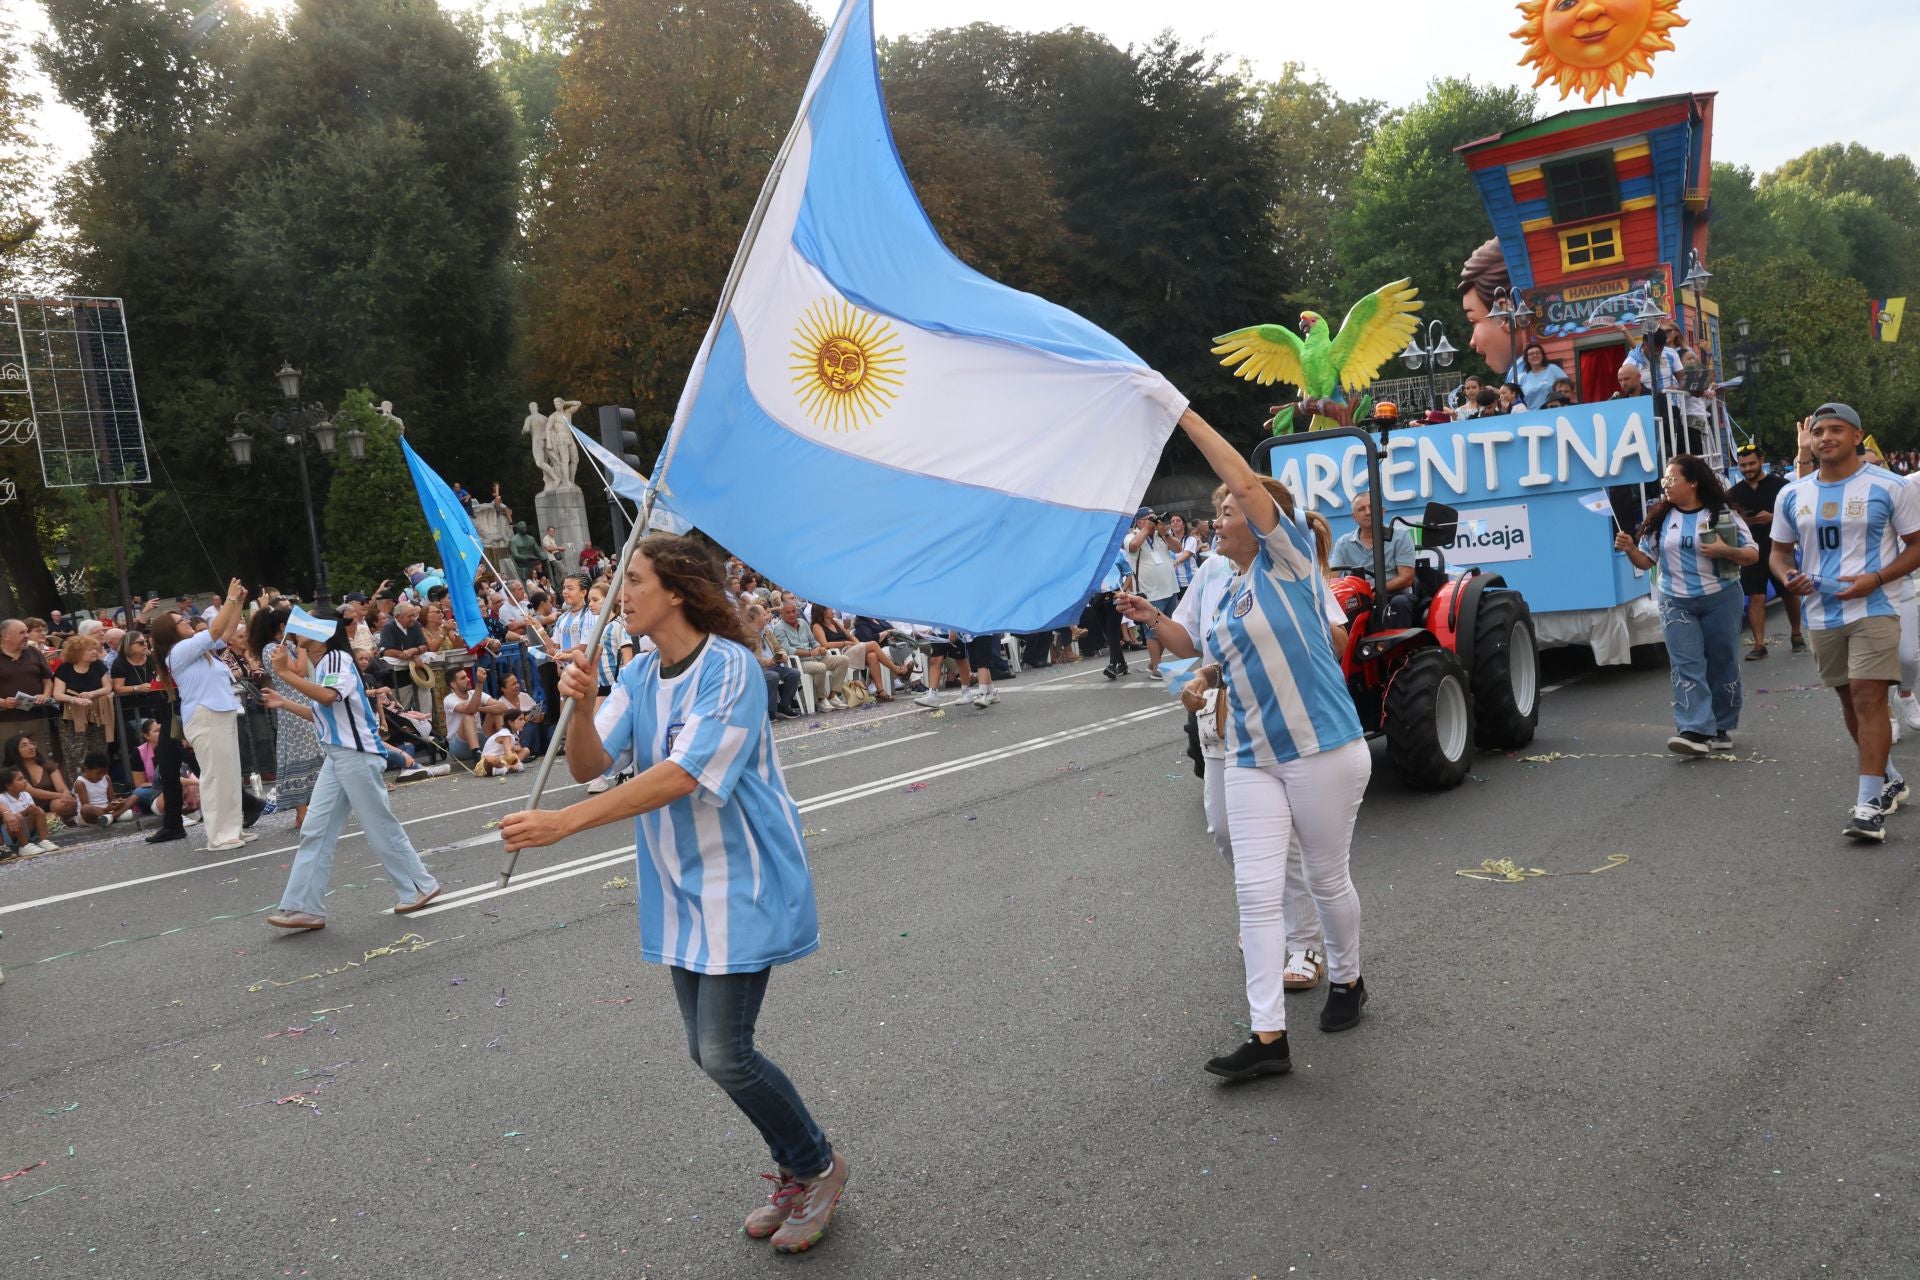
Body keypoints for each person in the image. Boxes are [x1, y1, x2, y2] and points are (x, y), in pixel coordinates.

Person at [499, 534, 847, 1252]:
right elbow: (590, 766)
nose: (618, 595)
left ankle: (818, 1166)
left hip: (741, 878)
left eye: (634, 581)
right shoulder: (638, 672)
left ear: (678, 590)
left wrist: (562, 826)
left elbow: (682, 775)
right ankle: (796, 1166)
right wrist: (589, 703)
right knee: (708, 1050)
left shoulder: (730, 669)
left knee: (724, 1051)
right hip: (680, 885)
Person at [1117, 407, 1372, 1082]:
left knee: (1324, 878)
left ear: (1260, 522)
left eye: (1229, 508)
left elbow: (1244, 480)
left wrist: (1183, 416)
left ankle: (1348, 979)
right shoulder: (1223, 588)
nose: (1217, 516)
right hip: (1253, 754)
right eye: (1218, 509)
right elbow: (1208, 655)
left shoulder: (1287, 562)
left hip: (1322, 748)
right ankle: (1268, 1038)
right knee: (1256, 895)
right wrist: (1173, 646)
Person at [1772, 404, 1920, 842]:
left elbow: (1916, 546)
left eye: (1837, 430)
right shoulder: (1792, 494)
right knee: (1849, 701)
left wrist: (1875, 578)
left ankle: (1869, 804)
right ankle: (1889, 777)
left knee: (1867, 694)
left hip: (1876, 607)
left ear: (1858, 436)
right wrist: (1787, 577)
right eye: (1819, 431)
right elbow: (1778, 553)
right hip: (1821, 613)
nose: (1826, 437)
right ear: (1810, 440)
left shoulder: (1890, 487)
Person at [262, 610, 443, 931]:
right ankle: (305, 907)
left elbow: (329, 698)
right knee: (315, 829)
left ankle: (419, 885)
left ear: (322, 633)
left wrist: (286, 676)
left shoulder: (336, 661)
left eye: (304, 628)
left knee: (377, 824)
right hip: (339, 756)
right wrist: (283, 702)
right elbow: (322, 712)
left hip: (356, 755)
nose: (296, 634)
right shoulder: (324, 665)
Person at [1614, 455, 1759, 756]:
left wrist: (1724, 550)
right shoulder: (1661, 519)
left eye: (1671, 479)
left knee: (1722, 662)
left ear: (1692, 482)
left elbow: (1752, 554)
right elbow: (1646, 561)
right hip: (1675, 601)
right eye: (1664, 480)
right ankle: (1693, 729)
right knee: (1686, 664)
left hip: (1721, 597)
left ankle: (1721, 726)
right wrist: (1629, 549)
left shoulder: (1721, 514)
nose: (1665, 485)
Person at [153, 580, 255, 852]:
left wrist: (239, 603)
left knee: (230, 774)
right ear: (171, 632)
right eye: (181, 621)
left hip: (220, 712)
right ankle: (219, 835)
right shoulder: (179, 650)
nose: (187, 621)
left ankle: (233, 829)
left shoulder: (198, 651)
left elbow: (228, 632)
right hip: (206, 715)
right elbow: (218, 629)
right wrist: (230, 601)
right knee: (215, 776)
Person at [1726, 445, 1805, 661]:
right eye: (1742, 465)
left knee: (1789, 592)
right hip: (1751, 551)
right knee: (1755, 597)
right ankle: (1759, 645)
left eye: (1751, 463)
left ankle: (1797, 635)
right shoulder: (1734, 494)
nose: (1747, 469)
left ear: (1762, 460)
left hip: (1780, 549)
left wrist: (1773, 518)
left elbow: (1800, 515)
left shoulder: (1782, 486)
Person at [1125, 509, 1179, 679]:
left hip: (1170, 589)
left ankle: (1154, 661)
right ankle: (1157, 668)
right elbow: (1133, 547)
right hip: (1151, 593)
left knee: (1166, 629)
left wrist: (1165, 534)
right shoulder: (1131, 536)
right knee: (1153, 631)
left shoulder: (1160, 535)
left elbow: (1178, 548)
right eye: (1149, 518)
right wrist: (1146, 529)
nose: (1153, 521)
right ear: (1139, 521)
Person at [770, 599, 848, 710]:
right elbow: (787, 649)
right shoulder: (779, 628)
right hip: (799, 662)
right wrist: (810, 652)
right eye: (788, 612)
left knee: (843, 660)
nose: (792, 614)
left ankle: (833, 695)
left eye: (794, 611)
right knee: (820, 667)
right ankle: (821, 700)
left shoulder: (802, 622)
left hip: (815, 657)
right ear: (781, 613)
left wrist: (819, 648)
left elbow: (813, 641)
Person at [0, 618, 57, 765]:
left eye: (26, 631)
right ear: (6, 636)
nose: (26, 635)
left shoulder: (33, 652)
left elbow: (47, 679)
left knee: (43, 759)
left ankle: (47, 787)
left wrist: (45, 694)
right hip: (6, 720)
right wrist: (3, 702)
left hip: (37, 717)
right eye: (22, 632)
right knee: (11, 764)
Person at [745, 602, 805, 720]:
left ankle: (783, 705)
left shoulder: (767, 631)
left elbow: (778, 647)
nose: (768, 616)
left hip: (773, 664)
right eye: (764, 614)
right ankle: (769, 711)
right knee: (772, 676)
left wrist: (782, 655)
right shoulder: (746, 634)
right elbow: (748, 656)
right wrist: (764, 661)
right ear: (756, 617)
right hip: (757, 668)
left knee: (794, 673)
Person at [2, 733, 77, 823]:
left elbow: (61, 788)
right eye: (24, 746)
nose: (31, 747)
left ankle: (57, 819)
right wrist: (62, 795)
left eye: (31, 743)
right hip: (29, 807)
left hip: (53, 802)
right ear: (14, 751)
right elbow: (33, 792)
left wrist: (66, 793)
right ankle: (53, 820)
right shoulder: (13, 772)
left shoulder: (48, 766)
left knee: (62, 804)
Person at [0, 766, 56, 855]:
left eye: (24, 778)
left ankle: (43, 840)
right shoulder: (2, 798)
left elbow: (31, 812)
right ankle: (24, 846)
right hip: (10, 833)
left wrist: (33, 810)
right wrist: (25, 811)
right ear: (9, 785)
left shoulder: (26, 795)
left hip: (26, 828)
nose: (25, 781)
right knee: (17, 817)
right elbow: (7, 819)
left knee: (39, 811)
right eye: (20, 779)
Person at [75, 751, 136, 826]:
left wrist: (118, 803)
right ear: (87, 770)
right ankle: (115, 817)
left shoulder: (106, 778)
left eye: (104, 772)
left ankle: (110, 817)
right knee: (85, 808)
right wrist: (106, 809)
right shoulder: (80, 783)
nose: (101, 776)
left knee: (134, 797)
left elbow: (112, 799)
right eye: (98, 773)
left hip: (108, 811)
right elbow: (85, 805)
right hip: (90, 815)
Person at [1508, 342, 1568, 410]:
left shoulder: (1553, 369)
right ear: (1527, 359)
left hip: (1553, 412)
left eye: (1538, 353)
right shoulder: (1522, 377)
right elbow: (1507, 391)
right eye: (1531, 354)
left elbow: (1568, 387)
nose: (1535, 355)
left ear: (1542, 355)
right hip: (1532, 416)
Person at [479, 710, 531, 776]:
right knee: (490, 759)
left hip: (502, 759)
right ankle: (508, 768)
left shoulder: (514, 734)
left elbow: (517, 749)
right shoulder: (505, 735)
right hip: (490, 762)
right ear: (510, 722)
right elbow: (508, 752)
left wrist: (516, 747)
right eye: (520, 719)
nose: (524, 722)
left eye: (523, 719)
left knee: (526, 750)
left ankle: (503, 769)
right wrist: (515, 762)